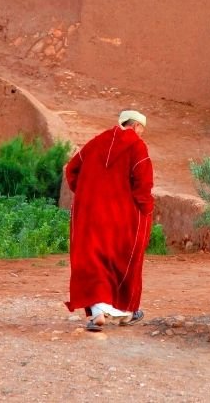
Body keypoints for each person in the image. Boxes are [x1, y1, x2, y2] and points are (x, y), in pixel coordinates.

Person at [65, 109, 154, 332]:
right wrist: (146, 209)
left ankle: (98, 312)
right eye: (141, 130)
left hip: (90, 214)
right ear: (136, 127)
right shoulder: (137, 146)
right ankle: (125, 311)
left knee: (94, 259)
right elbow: (143, 184)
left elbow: (72, 170)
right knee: (120, 259)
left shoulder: (96, 143)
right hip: (121, 216)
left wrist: (86, 193)